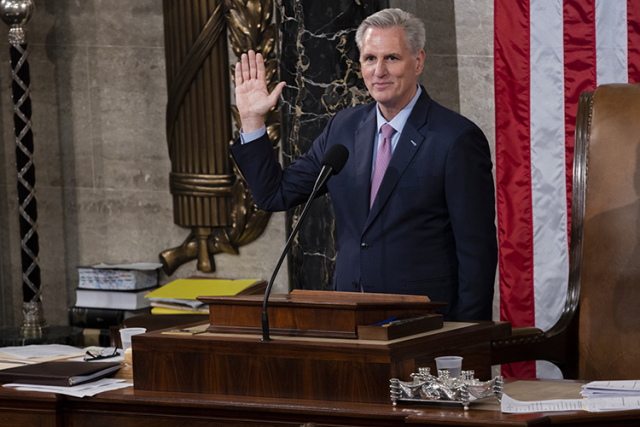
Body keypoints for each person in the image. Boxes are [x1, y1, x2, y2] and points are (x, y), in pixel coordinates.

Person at [230, 8, 497, 321]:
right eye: (370, 58)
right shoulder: (343, 127)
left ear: (418, 61)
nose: (379, 71)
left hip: (423, 325)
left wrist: (466, 339)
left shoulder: (456, 139)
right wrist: (251, 120)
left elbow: (476, 253)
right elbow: (273, 194)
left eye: (392, 58)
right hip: (350, 318)